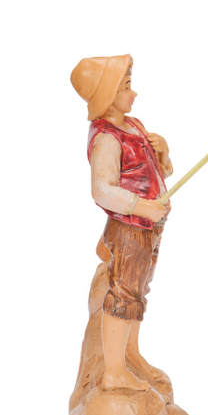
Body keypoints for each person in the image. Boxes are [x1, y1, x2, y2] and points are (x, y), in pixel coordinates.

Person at [70, 54, 172, 391]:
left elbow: (155, 172)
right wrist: (141, 207)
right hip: (131, 230)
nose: (134, 94)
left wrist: (163, 153)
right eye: (127, 87)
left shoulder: (134, 126)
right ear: (108, 94)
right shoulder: (108, 138)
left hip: (149, 227)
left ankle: (130, 355)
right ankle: (114, 372)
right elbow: (102, 190)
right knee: (124, 294)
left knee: (138, 291)